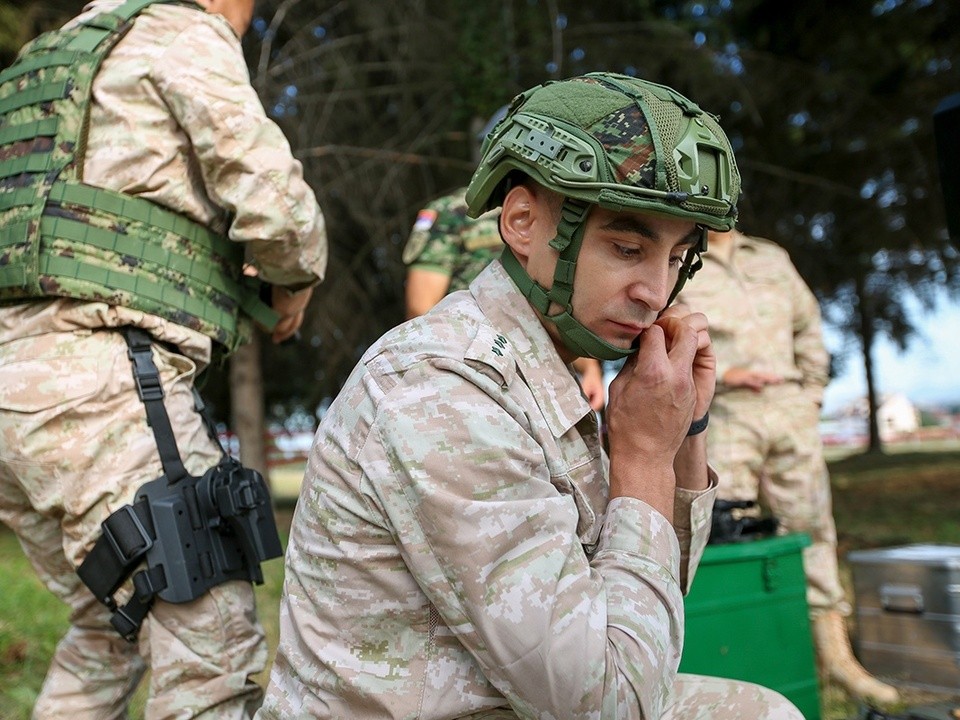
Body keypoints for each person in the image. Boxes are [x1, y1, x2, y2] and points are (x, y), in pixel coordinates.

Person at [257, 73, 803, 719]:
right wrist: (644, 459)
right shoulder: (441, 389)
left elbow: (646, 608)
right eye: (627, 248)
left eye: (676, 258)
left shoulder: (535, 368)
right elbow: (609, 703)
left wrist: (685, 427)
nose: (656, 293)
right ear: (521, 221)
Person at [0, 0, 327, 717]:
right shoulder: (180, 31)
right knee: (206, 636)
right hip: (97, 377)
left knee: (108, 625)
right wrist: (293, 280)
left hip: (16, 394)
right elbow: (276, 205)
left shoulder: (40, 63)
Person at [675, 227, 899, 706]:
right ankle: (737, 659)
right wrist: (723, 376)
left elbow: (808, 326)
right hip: (724, 411)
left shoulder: (772, 257)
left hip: (788, 410)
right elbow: (663, 327)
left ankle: (837, 663)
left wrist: (809, 397)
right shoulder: (680, 251)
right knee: (721, 535)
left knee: (812, 530)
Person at [403, 186, 606, 410]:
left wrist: (590, 369)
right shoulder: (451, 212)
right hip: (469, 366)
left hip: (539, 375)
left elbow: (553, 303)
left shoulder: (553, 205)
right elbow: (420, 307)